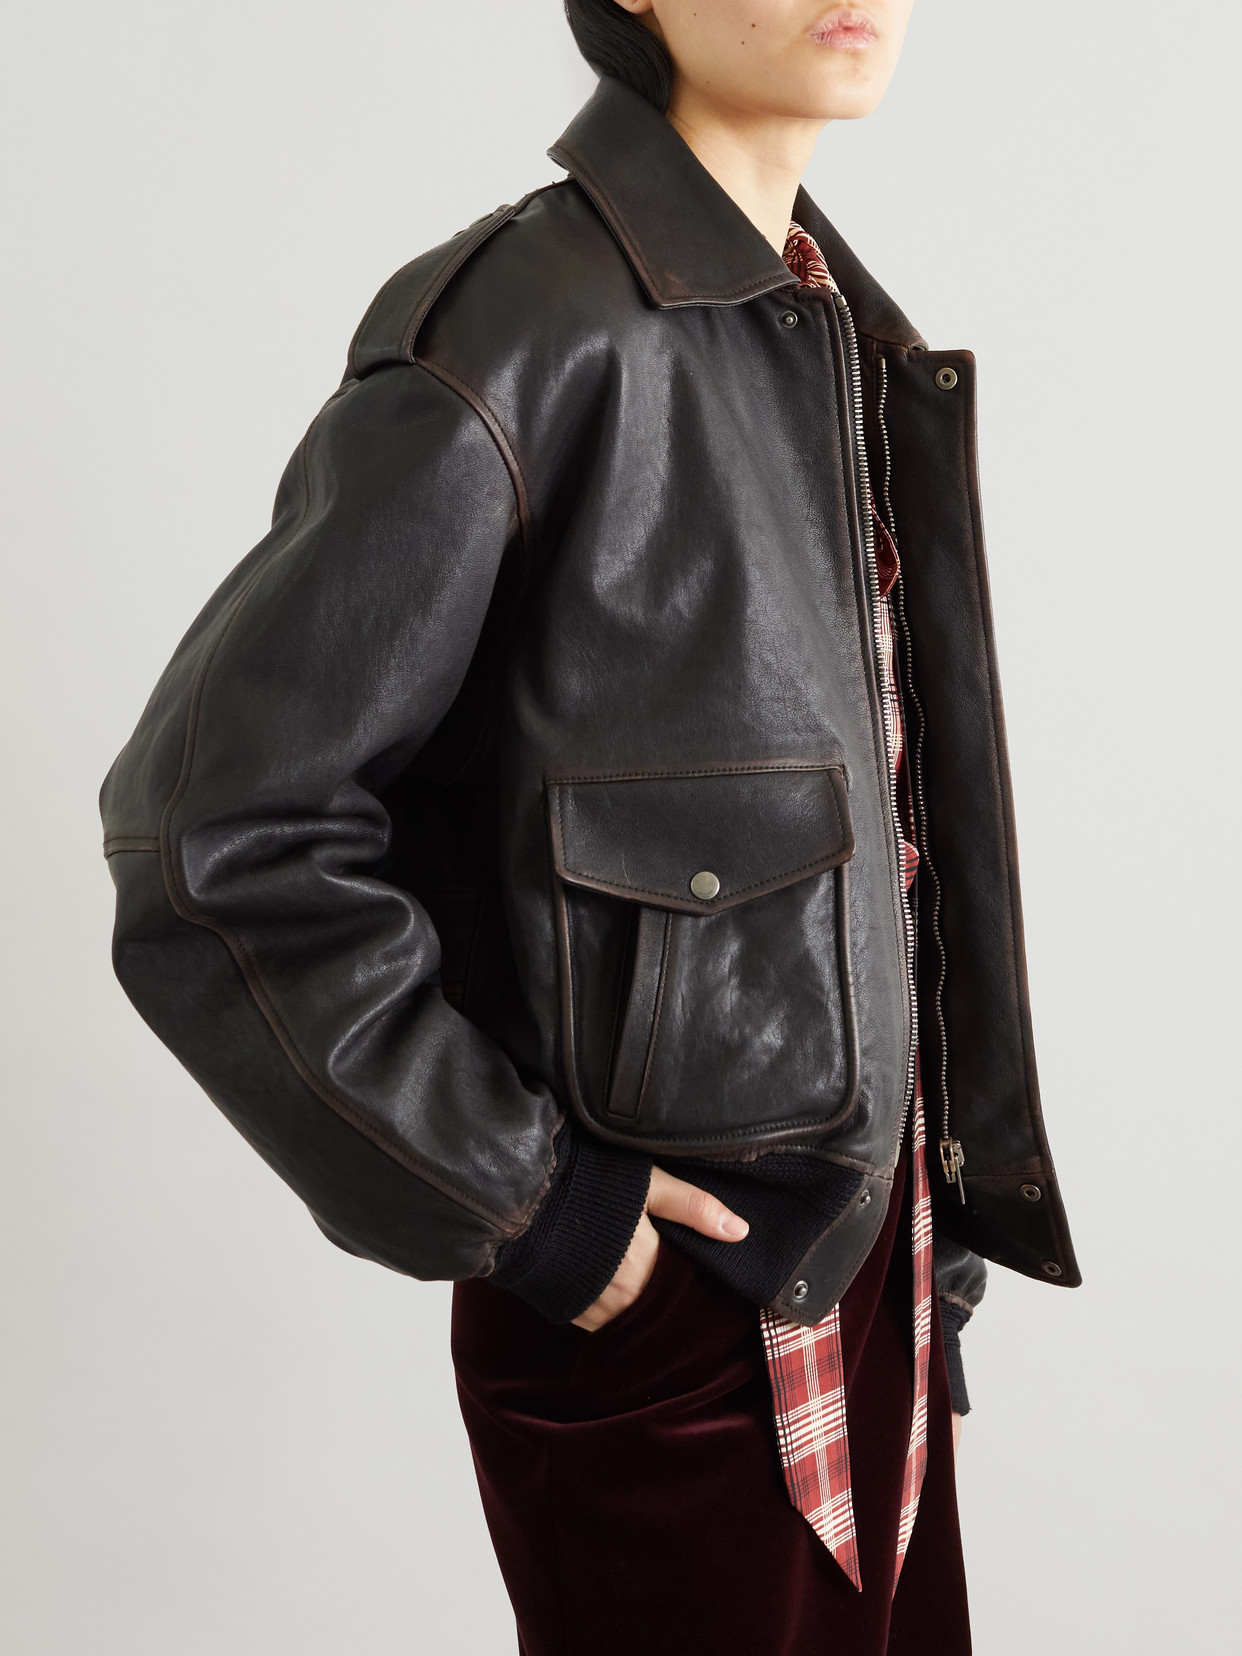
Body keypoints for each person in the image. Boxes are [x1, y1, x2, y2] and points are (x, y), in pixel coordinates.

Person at [100, 2, 1079, 1650]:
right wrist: (531, 1203)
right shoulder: (522, 327)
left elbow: (876, 853)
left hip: (867, 1279)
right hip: (673, 1327)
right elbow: (218, 834)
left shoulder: (828, 328)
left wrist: (930, 1277)